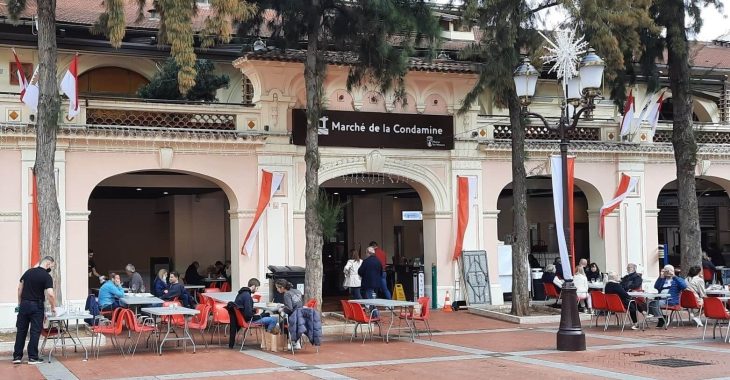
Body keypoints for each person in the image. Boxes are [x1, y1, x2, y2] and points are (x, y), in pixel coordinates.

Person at [13, 256, 56, 364]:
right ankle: (32, 357)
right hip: (37, 306)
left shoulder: (28, 272)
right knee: (35, 331)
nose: (51, 268)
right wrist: (53, 307)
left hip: (24, 305)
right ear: (48, 264)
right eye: (52, 265)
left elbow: (19, 289)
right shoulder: (46, 276)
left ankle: (17, 357)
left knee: (21, 331)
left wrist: (20, 303)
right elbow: (50, 294)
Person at [227, 278, 271, 348]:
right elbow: (248, 316)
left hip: (240, 320)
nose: (257, 290)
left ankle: (267, 342)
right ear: (253, 286)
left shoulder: (241, 294)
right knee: (271, 319)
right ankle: (268, 342)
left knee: (266, 315)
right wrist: (261, 315)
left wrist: (253, 312)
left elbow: (244, 310)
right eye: (257, 288)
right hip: (247, 320)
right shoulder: (247, 296)